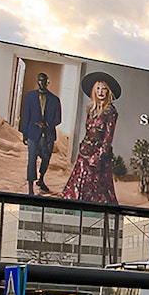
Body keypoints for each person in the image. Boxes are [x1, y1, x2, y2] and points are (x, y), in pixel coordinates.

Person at [61, 71, 120, 205]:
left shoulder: (111, 112)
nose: (100, 91)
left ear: (108, 92)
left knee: (97, 192)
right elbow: (87, 132)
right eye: (98, 88)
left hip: (98, 158)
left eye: (104, 88)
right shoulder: (91, 109)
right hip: (84, 154)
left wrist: (98, 156)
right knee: (76, 189)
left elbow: (108, 139)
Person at [19, 72, 62, 195]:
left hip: (48, 135)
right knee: (31, 160)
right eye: (39, 80)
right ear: (37, 81)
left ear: (47, 82)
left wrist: (48, 124)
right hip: (33, 134)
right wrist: (25, 134)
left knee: (46, 159)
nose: (41, 83)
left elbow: (58, 119)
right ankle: (30, 186)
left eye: (43, 81)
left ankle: (41, 179)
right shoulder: (30, 96)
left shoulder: (55, 100)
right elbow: (26, 115)